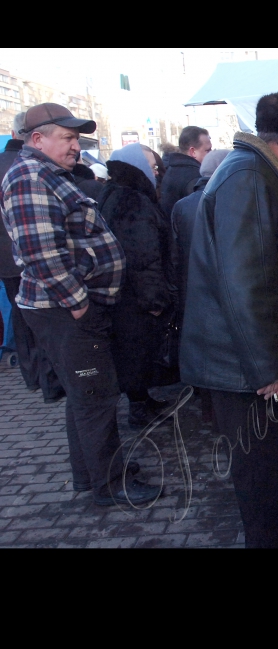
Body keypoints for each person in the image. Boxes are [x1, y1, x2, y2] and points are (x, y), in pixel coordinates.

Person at [179, 87, 278, 548]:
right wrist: (266, 365)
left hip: (251, 358)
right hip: (242, 364)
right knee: (261, 464)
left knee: (273, 456)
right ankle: (271, 540)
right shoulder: (247, 178)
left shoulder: (256, 173)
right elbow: (244, 284)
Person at [0, 103, 161, 506]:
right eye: (69, 138)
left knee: (85, 394)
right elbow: (41, 255)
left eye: (77, 139)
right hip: (66, 311)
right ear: (37, 139)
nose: (76, 147)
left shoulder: (49, 175)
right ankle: (110, 484)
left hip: (70, 308)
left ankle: (90, 473)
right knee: (96, 395)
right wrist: (79, 306)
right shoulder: (30, 178)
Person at [100, 143, 177, 427]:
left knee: (133, 351)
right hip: (135, 297)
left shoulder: (115, 192)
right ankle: (139, 411)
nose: (157, 172)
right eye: (152, 166)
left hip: (123, 293)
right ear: (136, 166)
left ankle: (141, 402)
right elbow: (142, 255)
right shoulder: (133, 200)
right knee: (137, 352)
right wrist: (155, 300)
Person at [0, 111, 64, 403]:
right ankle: (50, 378)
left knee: (19, 313)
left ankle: (31, 374)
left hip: (6, 256)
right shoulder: (34, 166)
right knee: (43, 313)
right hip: (34, 252)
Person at [171, 148, 230, 427]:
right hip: (221, 289)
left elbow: (174, 254)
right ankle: (225, 417)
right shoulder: (228, 202)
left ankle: (210, 414)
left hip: (190, 289)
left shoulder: (181, 205)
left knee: (204, 354)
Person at [158, 126, 211, 220]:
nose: (211, 154)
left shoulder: (172, 169)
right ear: (193, 151)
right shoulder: (194, 177)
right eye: (207, 150)